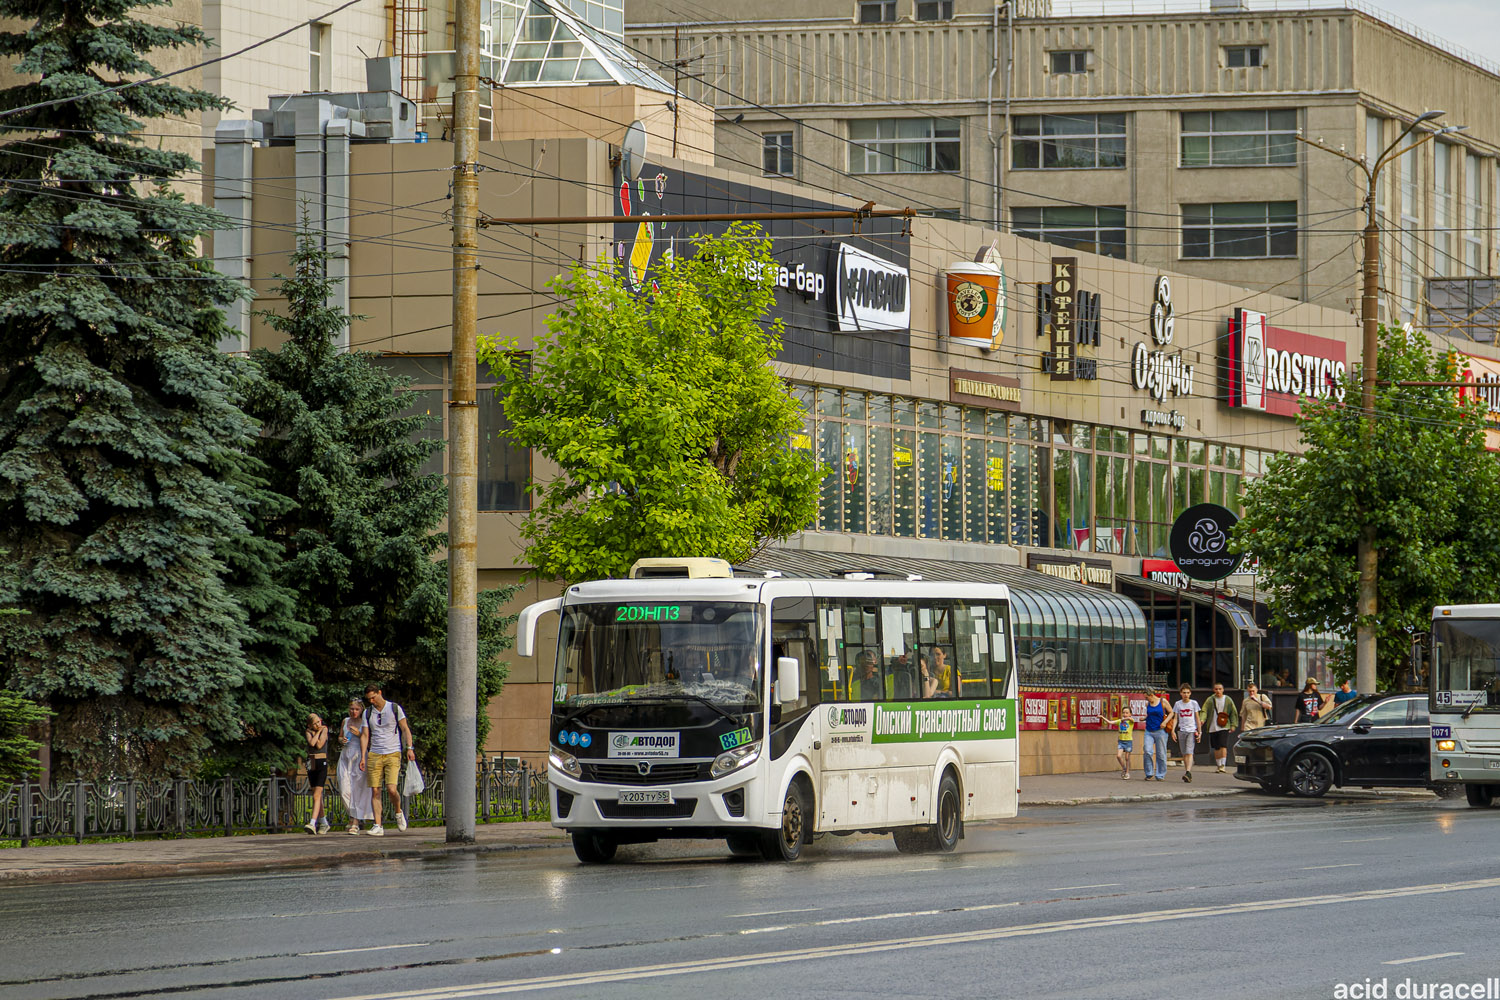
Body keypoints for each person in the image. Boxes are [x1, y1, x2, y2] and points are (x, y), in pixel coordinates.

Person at [359, 684, 415, 837]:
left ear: (379, 693)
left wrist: (410, 747)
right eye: (368, 699)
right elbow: (365, 735)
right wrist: (363, 755)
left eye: (373, 697)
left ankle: (398, 811)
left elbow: (405, 729)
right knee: (375, 790)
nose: (371, 701)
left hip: (393, 752)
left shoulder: (394, 708)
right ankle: (378, 825)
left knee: (391, 789)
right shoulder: (367, 712)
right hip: (375, 753)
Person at [338, 698, 376, 834]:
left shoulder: (364, 721)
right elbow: (340, 736)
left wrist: (359, 734)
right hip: (345, 755)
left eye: (356, 709)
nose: (354, 712)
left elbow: (368, 738)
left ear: (361, 710)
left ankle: (354, 821)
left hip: (359, 755)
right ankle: (355, 816)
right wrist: (341, 740)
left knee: (357, 789)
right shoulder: (345, 721)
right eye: (352, 709)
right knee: (344, 789)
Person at [1202, 682, 1239, 773]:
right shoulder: (1210, 700)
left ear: (1223, 690)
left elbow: (1233, 712)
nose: (1218, 691)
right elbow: (1204, 710)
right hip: (1212, 726)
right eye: (1216, 689)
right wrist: (1202, 719)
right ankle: (1218, 765)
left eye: (1220, 689)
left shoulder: (1227, 700)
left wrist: (1233, 725)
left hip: (1224, 726)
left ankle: (1223, 765)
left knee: (1223, 745)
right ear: (1214, 690)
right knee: (1216, 747)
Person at [303, 714, 329, 834]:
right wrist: (316, 733)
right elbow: (312, 743)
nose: (318, 725)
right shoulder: (308, 732)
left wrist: (319, 732)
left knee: (317, 795)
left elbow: (319, 745)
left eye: (319, 722)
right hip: (311, 762)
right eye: (315, 723)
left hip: (321, 761)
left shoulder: (325, 729)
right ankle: (323, 822)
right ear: (309, 725)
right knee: (316, 794)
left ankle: (313, 822)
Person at [1173, 685, 1202, 783]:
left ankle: (1188, 772)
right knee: (1184, 753)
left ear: (1190, 693)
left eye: (1187, 693)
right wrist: (1173, 730)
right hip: (1182, 730)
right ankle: (1187, 772)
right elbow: (1175, 718)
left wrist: (1199, 731)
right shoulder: (1178, 704)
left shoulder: (1194, 703)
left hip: (1191, 730)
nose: (1186, 695)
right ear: (1180, 693)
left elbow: (1197, 717)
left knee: (1189, 751)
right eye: (1184, 692)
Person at [1102, 699, 1137, 779]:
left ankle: (1127, 772)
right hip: (1121, 741)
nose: (1125, 714)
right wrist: (1102, 717)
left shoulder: (1130, 721)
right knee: (1118, 756)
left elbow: (1131, 719)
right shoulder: (1120, 721)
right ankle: (1124, 768)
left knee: (1127, 757)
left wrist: (1125, 718)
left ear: (1130, 714)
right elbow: (1110, 722)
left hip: (1128, 741)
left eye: (1127, 713)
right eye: (1124, 713)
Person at [1141, 689, 1172, 781]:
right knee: (1147, 750)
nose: (1146, 699)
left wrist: (1165, 722)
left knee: (1161, 753)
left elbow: (1171, 712)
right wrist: (1144, 718)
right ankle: (1149, 773)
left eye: (1146, 697)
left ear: (1151, 695)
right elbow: (1150, 714)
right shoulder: (1148, 704)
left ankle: (1160, 774)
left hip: (1160, 730)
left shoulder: (1163, 701)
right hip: (1149, 730)